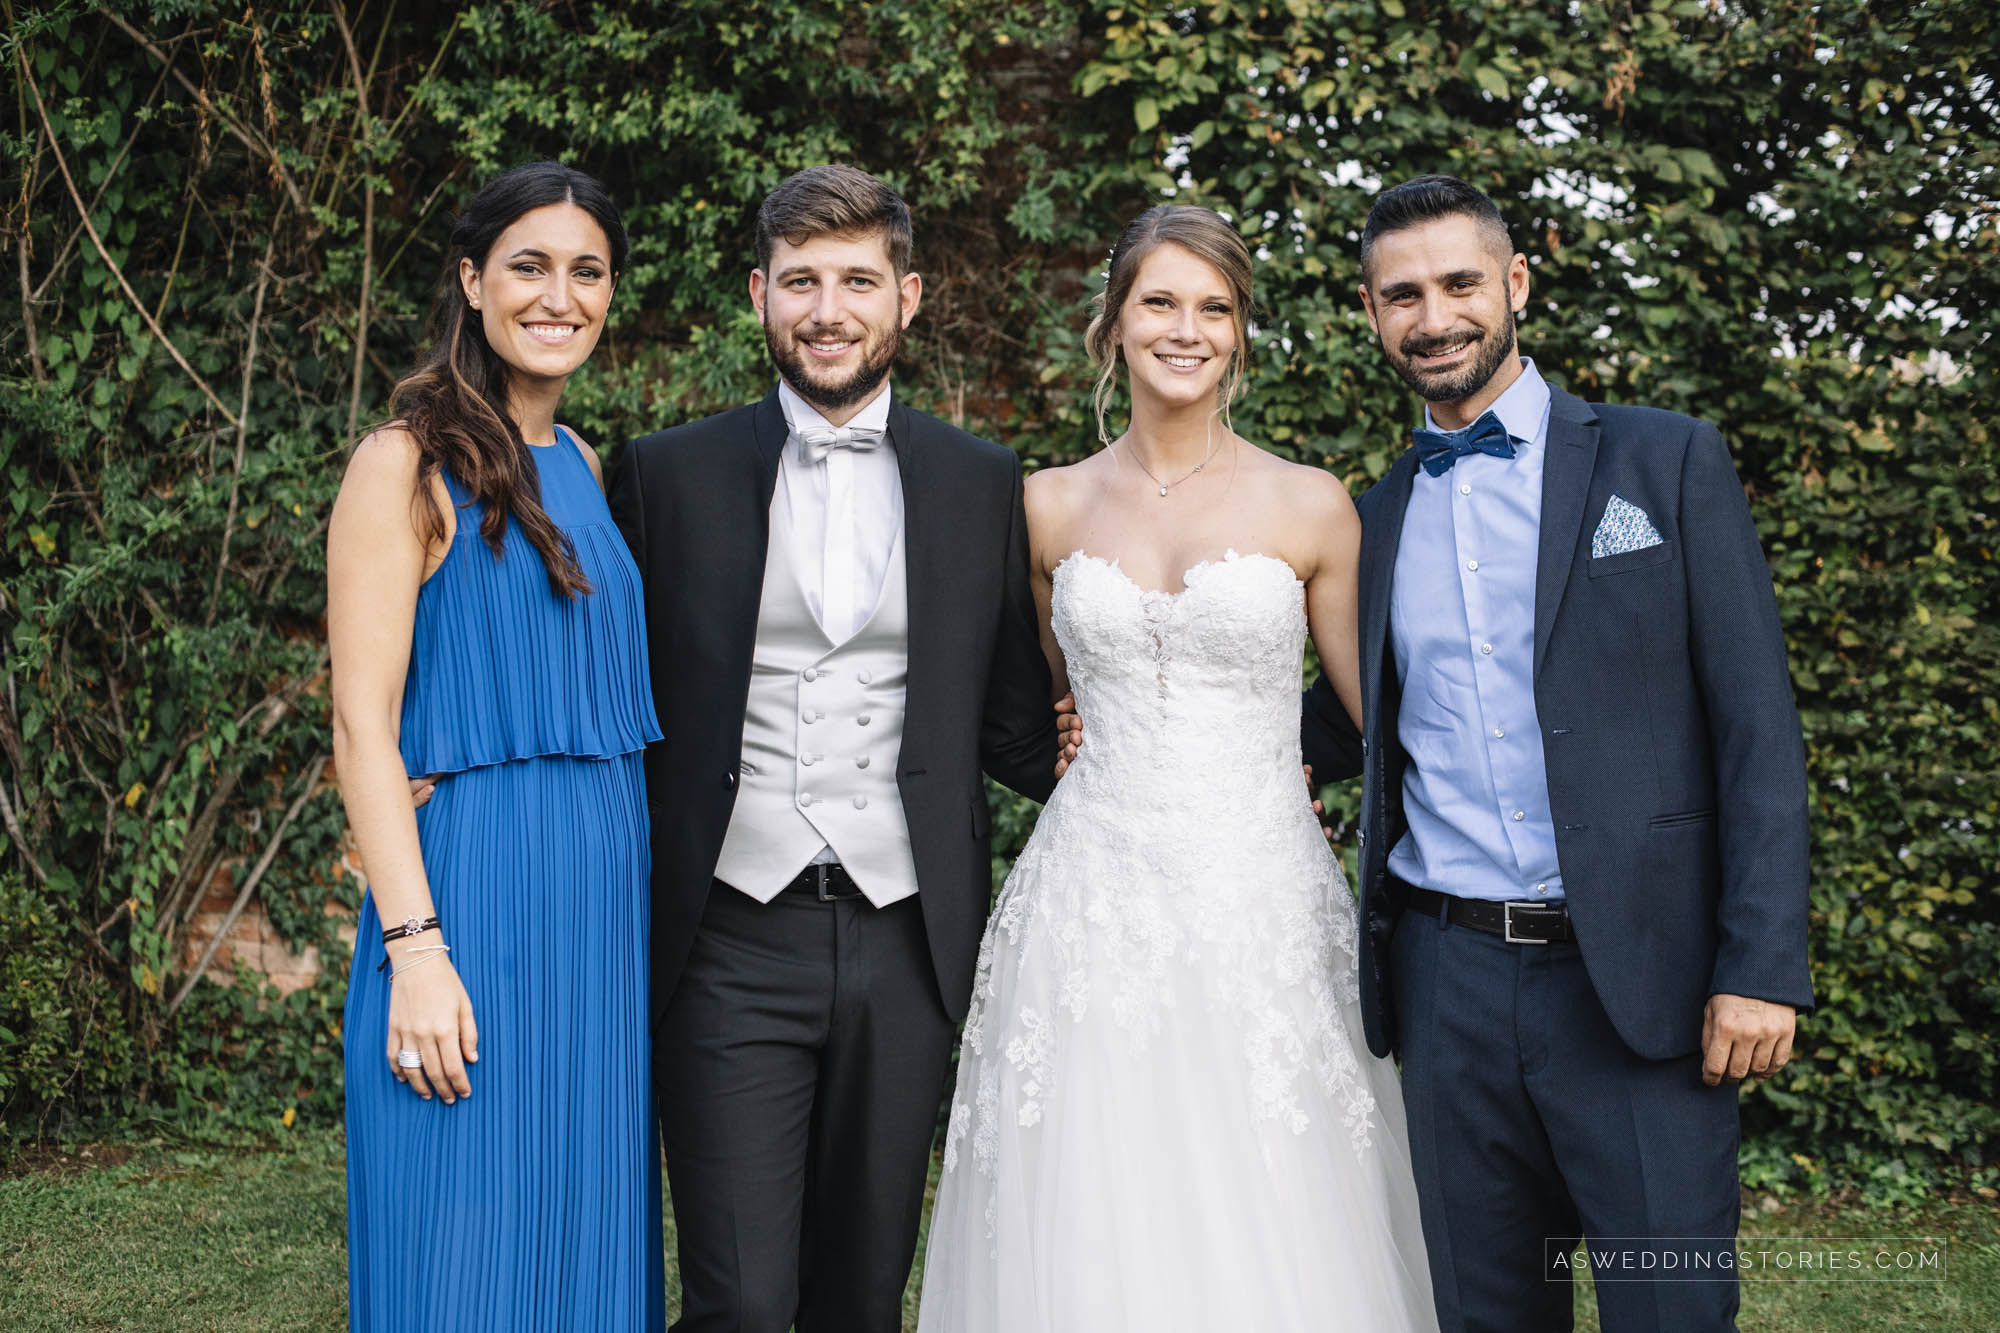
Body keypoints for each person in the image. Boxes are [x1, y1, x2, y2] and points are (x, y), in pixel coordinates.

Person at [1300, 173, 1814, 1332]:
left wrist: (1760, 962)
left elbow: (1754, 726)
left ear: (1514, 284)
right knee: (1485, 1315)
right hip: (1444, 985)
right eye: (1399, 295)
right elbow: (1346, 720)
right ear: (1371, 314)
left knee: (1669, 1316)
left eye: (1458, 283)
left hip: (1641, 977)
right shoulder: (1367, 517)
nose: (1432, 318)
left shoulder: (1662, 461)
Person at [916, 205, 1436, 1331]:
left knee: (1276, 1193)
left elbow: (1371, 714)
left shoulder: (1309, 502)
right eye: (1159, 300)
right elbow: (1038, 694)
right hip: (1087, 901)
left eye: (1214, 308)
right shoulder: (1042, 504)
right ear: (1111, 322)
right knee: (1090, 1196)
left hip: (1260, 896)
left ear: (1241, 334)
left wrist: (1293, 774)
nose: (1185, 328)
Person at [606, 164, 1065, 1333]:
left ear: (907, 297)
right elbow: (597, 688)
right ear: (757, 294)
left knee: (861, 1296)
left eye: (857, 280)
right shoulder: (666, 474)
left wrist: (1143, 738)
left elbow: (1012, 720)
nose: (827, 309)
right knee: (743, 1303)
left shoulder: (980, 480)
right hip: (726, 935)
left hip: (907, 940)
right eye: (799, 280)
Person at [328, 162, 663, 1332]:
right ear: (472, 281)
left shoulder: (580, 464)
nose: (559, 295)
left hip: (601, 912)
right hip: (468, 898)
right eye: (529, 265)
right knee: (460, 1258)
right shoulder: (401, 461)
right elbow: (361, 726)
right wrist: (414, 949)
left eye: (587, 271)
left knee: (588, 1247)